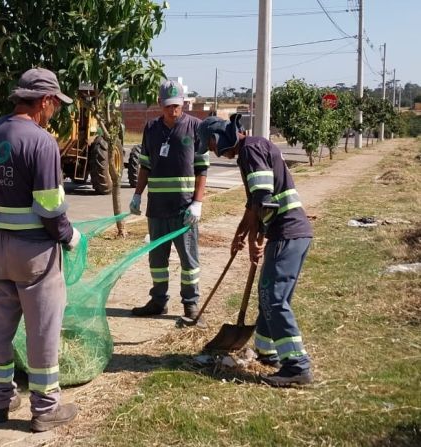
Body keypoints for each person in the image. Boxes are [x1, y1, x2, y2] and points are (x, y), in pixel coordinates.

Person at [0, 67, 80, 431]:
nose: (55, 112)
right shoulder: (41, 142)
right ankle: (45, 408)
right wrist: (69, 236)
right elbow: (49, 208)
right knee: (42, 328)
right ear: (44, 101)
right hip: (35, 254)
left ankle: (0, 400)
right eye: (55, 105)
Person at [198, 114, 314, 387]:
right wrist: (241, 234)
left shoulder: (250, 149)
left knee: (274, 297)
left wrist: (256, 239)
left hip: (287, 233)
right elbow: (253, 206)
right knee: (268, 294)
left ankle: (297, 366)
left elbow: (265, 200)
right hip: (290, 234)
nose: (213, 151)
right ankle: (268, 351)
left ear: (221, 135)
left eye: (212, 144)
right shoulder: (251, 150)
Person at [129, 80, 208, 319]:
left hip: (184, 210)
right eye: (167, 106)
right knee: (157, 260)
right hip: (157, 209)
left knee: (188, 259)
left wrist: (198, 203)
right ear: (159, 105)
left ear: (183, 103)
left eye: (176, 105)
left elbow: (201, 169)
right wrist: (137, 194)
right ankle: (158, 300)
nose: (172, 111)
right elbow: (145, 165)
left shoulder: (196, 127)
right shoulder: (151, 129)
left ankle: (190, 303)